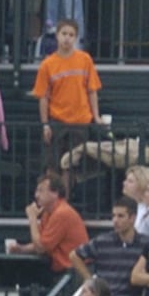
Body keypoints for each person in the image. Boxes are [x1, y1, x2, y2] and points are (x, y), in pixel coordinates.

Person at [34, 19, 102, 182]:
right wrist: (45, 124)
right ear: (57, 36)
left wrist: (96, 116)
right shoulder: (47, 64)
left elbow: (92, 90)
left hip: (80, 121)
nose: (67, 38)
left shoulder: (85, 60)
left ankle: (66, 200)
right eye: (64, 34)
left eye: (71, 35)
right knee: (52, 165)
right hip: (57, 120)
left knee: (71, 167)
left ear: (76, 38)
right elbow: (42, 97)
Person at [9, 172, 90, 280]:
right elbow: (41, 242)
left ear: (55, 193)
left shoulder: (62, 213)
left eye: (41, 190)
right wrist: (20, 249)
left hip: (73, 274)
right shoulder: (48, 213)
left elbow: (41, 247)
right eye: (37, 190)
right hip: (61, 270)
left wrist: (32, 218)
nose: (36, 195)